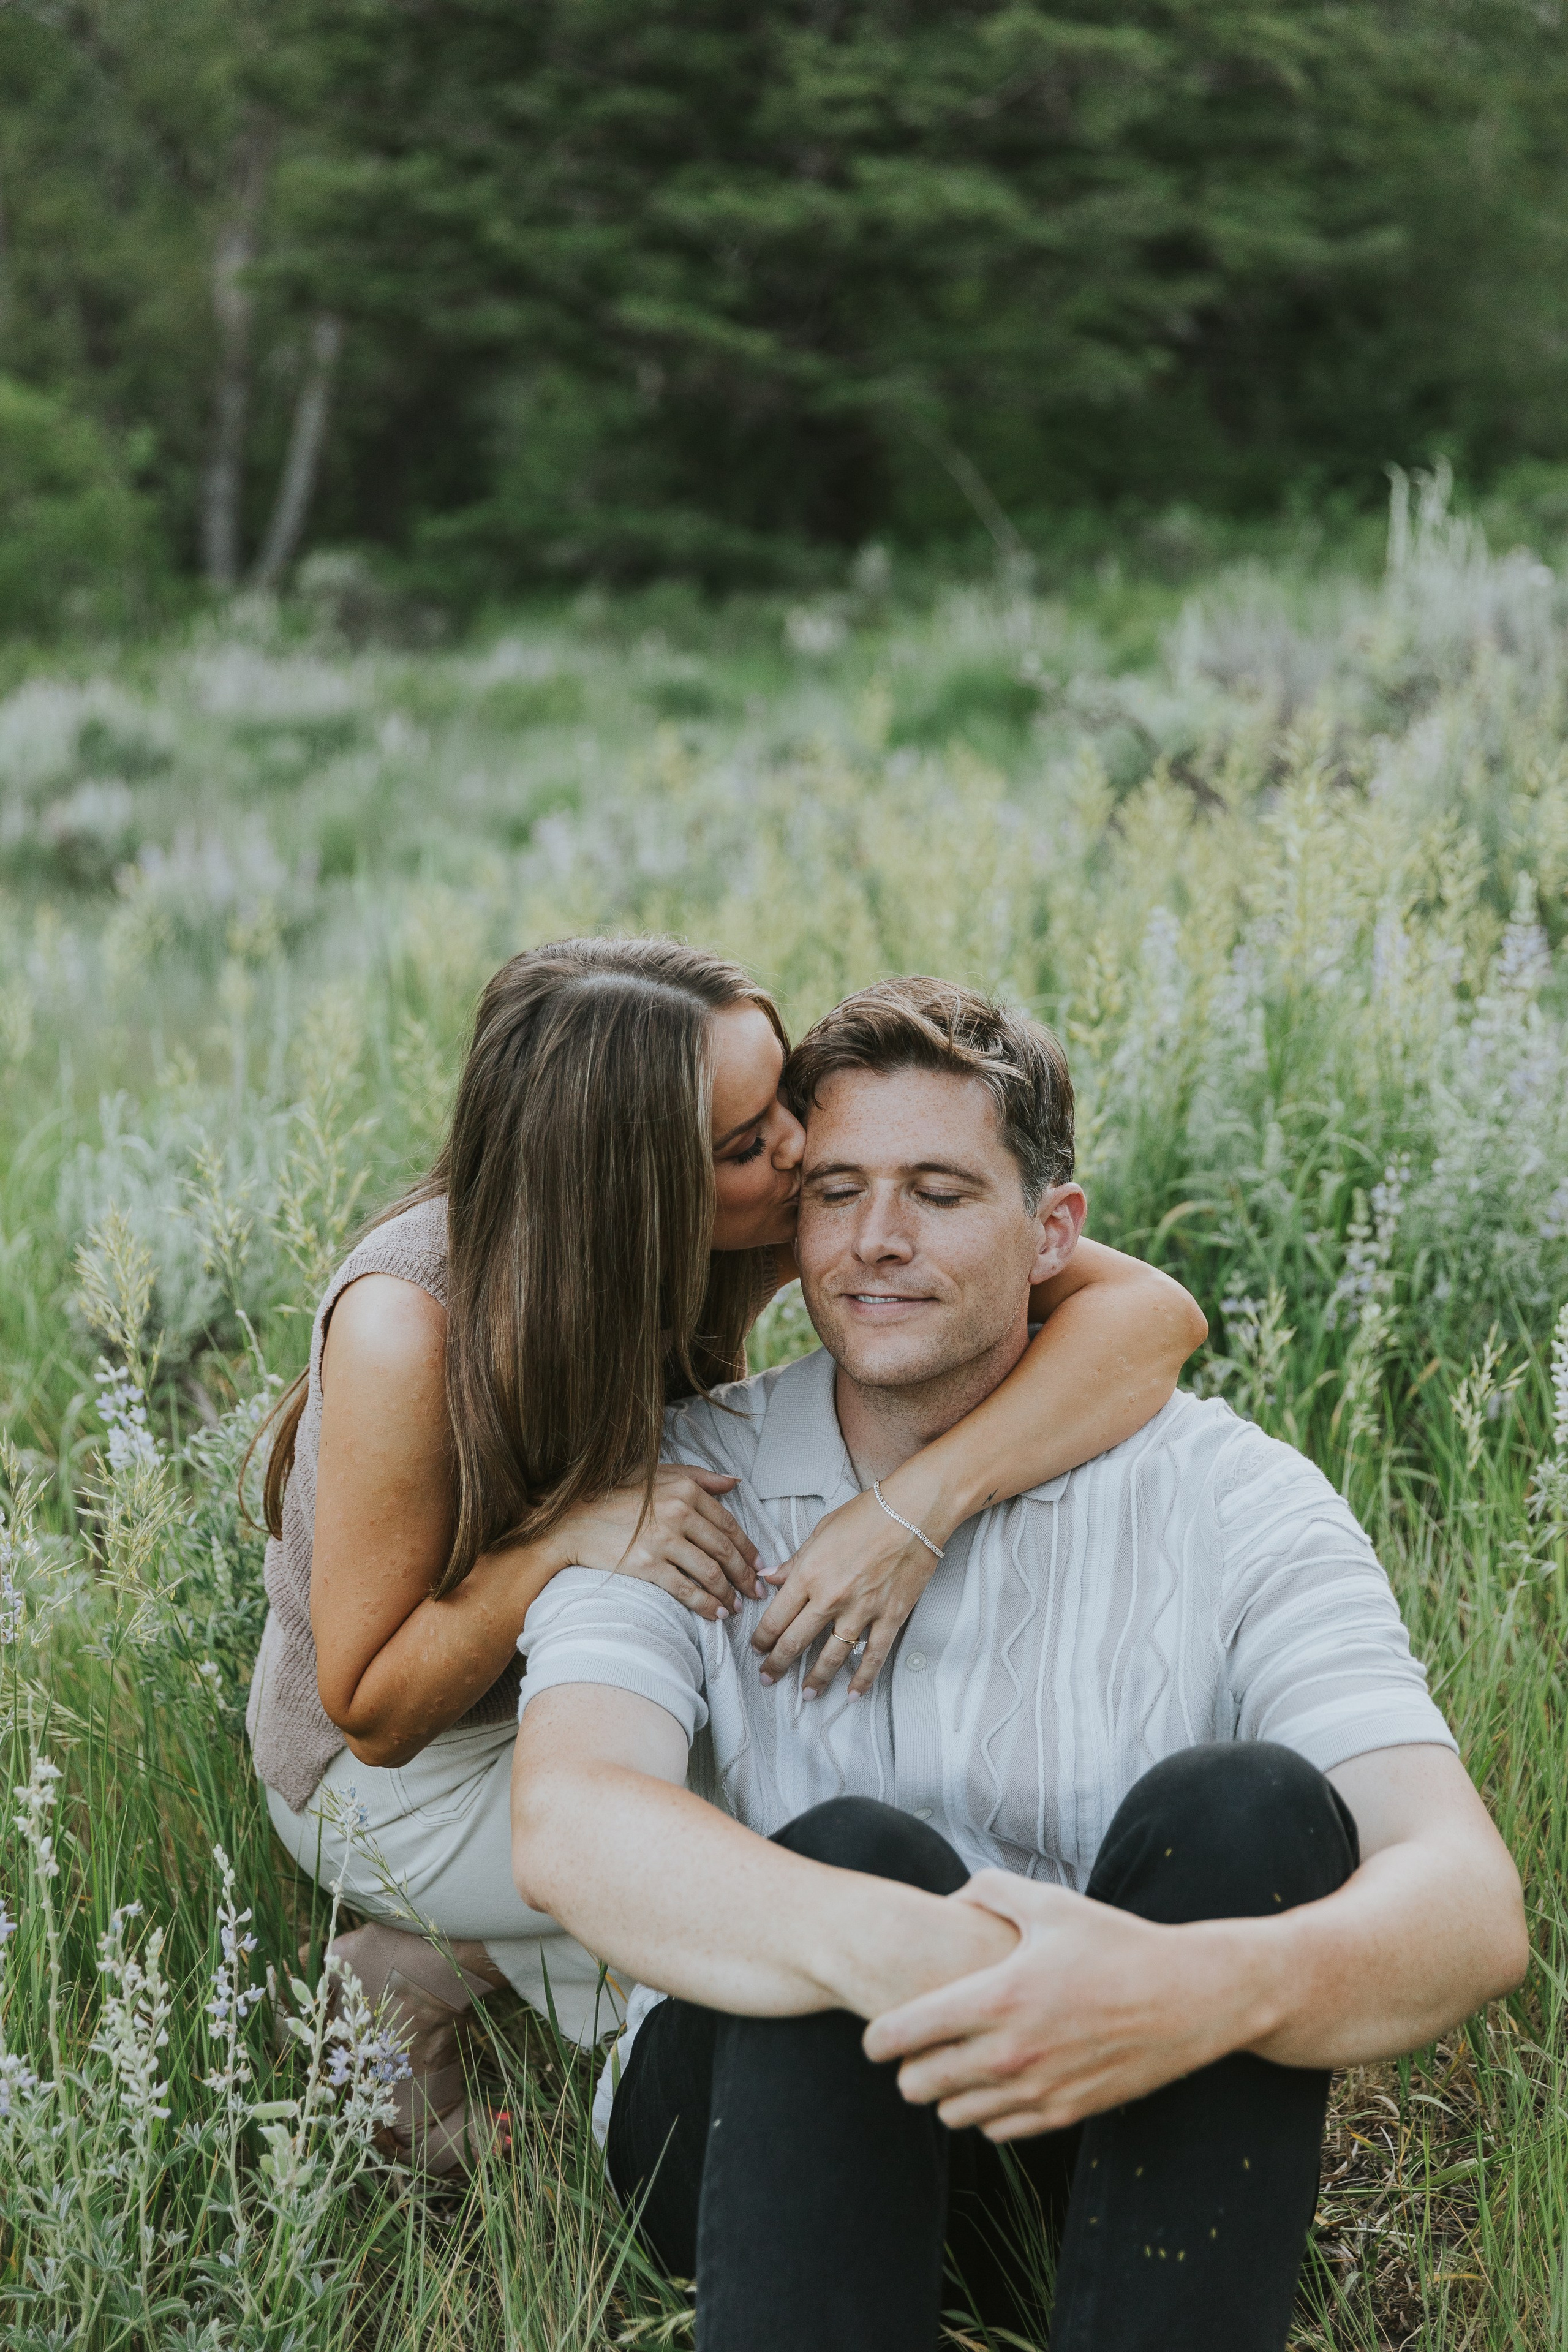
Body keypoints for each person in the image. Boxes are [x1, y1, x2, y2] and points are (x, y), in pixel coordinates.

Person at [511, 975, 1528, 2352]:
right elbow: (571, 1818)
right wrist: (911, 1950)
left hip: (1101, 2122)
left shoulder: (1228, 1493)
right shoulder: (687, 1484)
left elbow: (1465, 1901)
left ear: (1053, 1232)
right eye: (837, 1192)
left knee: (1247, 1806)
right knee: (853, 1850)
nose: (875, 1242)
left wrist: (1192, 1988)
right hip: (754, 2125)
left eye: (938, 1192)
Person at [246, 937, 1205, 2169]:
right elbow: (371, 1706)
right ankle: (421, 1973)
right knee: (763, 1852)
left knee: (842, 1767)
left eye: (785, 1106)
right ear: (628, 1185)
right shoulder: (408, 1322)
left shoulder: (743, 1215)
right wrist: (563, 1541)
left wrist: (913, 1511)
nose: (804, 1158)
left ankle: (487, 1965)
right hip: (401, 1775)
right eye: (752, 1142)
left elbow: (1148, 1319)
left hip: (588, 1667)